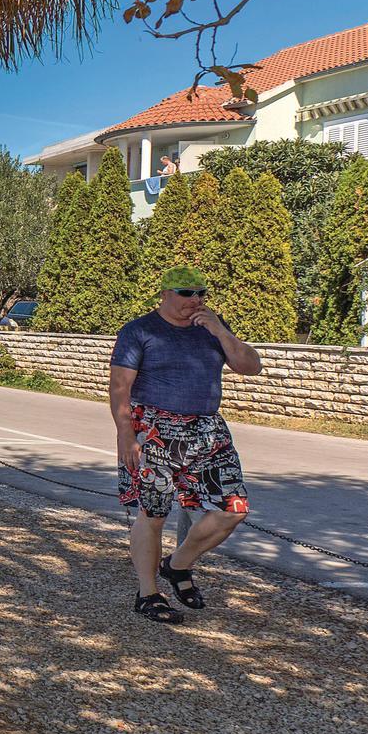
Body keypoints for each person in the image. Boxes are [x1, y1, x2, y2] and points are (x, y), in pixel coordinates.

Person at [111, 267, 264, 623]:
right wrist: (125, 435)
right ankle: (148, 593)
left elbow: (251, 366)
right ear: (165, 294)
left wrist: (220, 331)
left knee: (233, 509)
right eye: (186, 292)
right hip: (154, 430)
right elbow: (119, 387)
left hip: (208, 431)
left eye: (200, 293)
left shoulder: (212, 327)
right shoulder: (140, 330)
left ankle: (178, 565)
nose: (195, 300)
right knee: (153, 514)